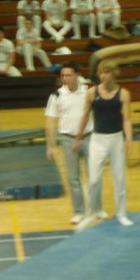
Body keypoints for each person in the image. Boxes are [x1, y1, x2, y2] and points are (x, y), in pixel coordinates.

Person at [74, 60, 133, 227]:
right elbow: (85, 115)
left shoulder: (123, 93)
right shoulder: (92, 93)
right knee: (94, 180)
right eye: (100, 73)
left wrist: (128, 138)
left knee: (119, 178)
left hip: (116, 138)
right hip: (98, 140)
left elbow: (127, 119)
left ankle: (121, 213)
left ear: (114, 73)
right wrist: (78, 136)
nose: (102, 76)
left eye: (106, 72)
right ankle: (91, 212)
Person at [46, 62, 93, 224]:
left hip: (89, 137)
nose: (65, 78)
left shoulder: (88, 92)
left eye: (68, 75)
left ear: (77, 75)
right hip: (67, 140)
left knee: (94, 176)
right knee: (73, 178)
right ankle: (79, 211)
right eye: (63, 75)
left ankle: (95, 208)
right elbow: (50, 122)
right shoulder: (56, 95)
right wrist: (51, 146)